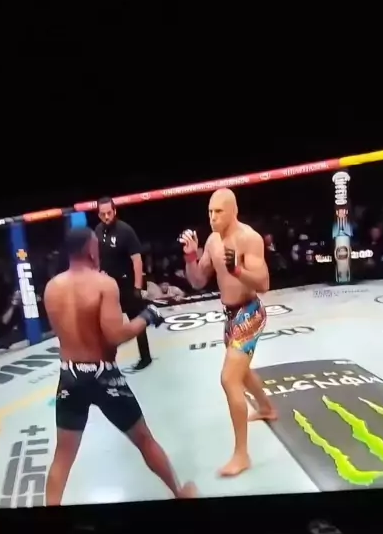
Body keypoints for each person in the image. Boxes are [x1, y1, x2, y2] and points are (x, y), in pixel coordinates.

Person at [44, 227, 197, 505]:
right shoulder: (104, 285)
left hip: (69, 375)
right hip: (103, 376)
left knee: (62, 457)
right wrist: (147, 316)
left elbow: (67, 332)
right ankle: (180, 494)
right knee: (145, 440)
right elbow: (116, 335)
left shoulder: (51, 288)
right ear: (91, 250)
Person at [179, 188, 276, 478]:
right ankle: (267, 408)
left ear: (233, 211)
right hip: (230, 316)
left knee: (229, 378)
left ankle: (241, 454)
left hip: (250, 312)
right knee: (241, 372)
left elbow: (264, 283)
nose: (212, 217)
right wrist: (190, 257)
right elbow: (197, 281)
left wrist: (237, 271)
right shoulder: (212, 241)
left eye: (218, 211)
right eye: (210, 212)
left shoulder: (249, 238)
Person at [95, 196, 152, 371]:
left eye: (109, 213)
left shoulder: (125, 231)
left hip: (127, 284)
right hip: (108, 286)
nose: (106, 217)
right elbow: (97, 257)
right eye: (103, 214)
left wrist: (137, 287)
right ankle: (106, 362)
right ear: (98, 214)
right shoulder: (97, 231)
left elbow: (137, 259)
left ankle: (145, 357)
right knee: (105, 324)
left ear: (115, 211)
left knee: (137, 319)